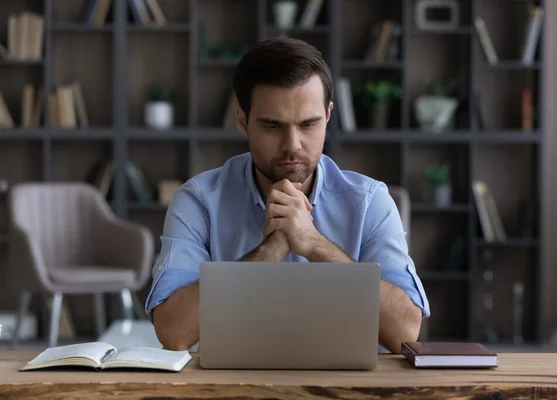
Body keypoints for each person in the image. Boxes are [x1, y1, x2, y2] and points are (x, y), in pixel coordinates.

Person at [145, 37, 430, 353]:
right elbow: (173, 332)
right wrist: (269, 252)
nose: (292, 144)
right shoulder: (199, 201)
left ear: (329, 116)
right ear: (243, 120)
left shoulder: (370, 201)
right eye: (271, 126)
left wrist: (314, 244)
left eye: (309, 124)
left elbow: (405, 332)